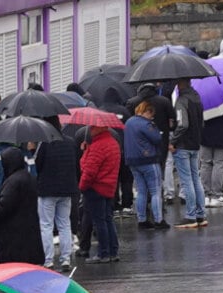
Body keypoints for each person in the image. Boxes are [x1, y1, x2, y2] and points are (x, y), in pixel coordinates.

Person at [35, 116, 79, 270]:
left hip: (47, 190)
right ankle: (66, 258)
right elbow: (76, 165)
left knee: (46, 225)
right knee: (64, 224)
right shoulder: (70, 142)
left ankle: (48, 260)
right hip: (67, 189)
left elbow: (38, 165)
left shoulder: (45, 143)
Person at [0, 146, 45, 266]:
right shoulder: (28, 177)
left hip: (13, 235)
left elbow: (5, 204)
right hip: (29, 231)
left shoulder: (13, 181)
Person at [78, 125, 120, 262]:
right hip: (109, 187)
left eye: (92, 128)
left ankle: (103, 253)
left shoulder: (98, 146)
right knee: (108, 219)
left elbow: (88, 170)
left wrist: (82, 187)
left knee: (99, 221)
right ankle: (113, 251)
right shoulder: (113, 143)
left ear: (100, 128)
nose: (90, 130)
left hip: (96, 188)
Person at [171, 77, 208, 229]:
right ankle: (200, 214)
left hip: (183, 145)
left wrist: (173, 140)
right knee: (196, 179)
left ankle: (190, 215)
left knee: (187, 181)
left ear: (179, 84)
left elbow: (182, 124)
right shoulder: (197, 98)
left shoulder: (181, 101)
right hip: (195, 143)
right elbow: (202, 122)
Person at [124, 101, 167, 229]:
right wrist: (155, 127)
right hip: (148, 160)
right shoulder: (146, 124)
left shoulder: (128, 122)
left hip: (133, 162)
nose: (151, 117)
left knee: (141, 191)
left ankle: (142, 220)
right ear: (147, 111)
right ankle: (159, 220)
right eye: (151, 115)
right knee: (155, 191)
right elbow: (157, 139)